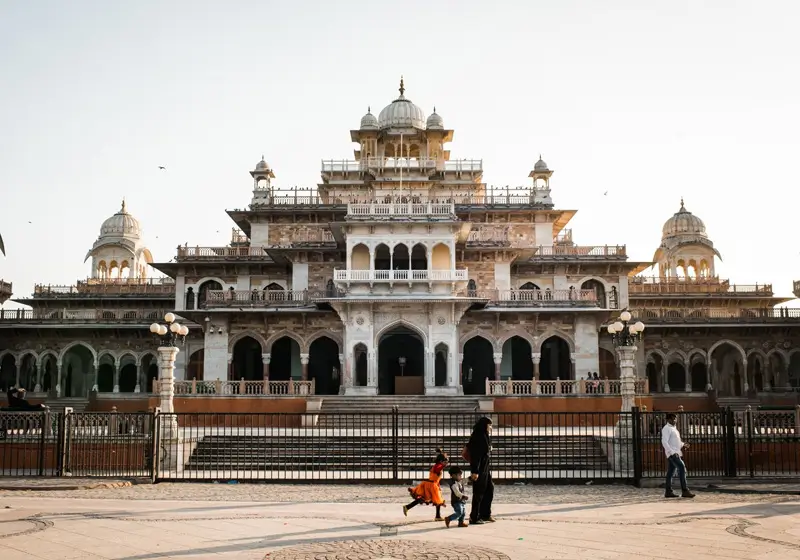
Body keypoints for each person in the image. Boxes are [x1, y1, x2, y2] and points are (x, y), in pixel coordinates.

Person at [404, 448, 448, 521]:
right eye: (445, 461)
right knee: (436, 500)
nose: (446, 463)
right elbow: (438, 469)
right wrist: (443, 466)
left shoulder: (437, 465)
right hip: (431, 486)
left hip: (432, 484)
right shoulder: (438, 466)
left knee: (433, 500)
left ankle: (407, 507)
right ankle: (437, 516)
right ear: (441, 461)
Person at [468, 416, 495, 524]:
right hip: (479, 469)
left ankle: (485, 514)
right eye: (489, 425)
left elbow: (486, 449)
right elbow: (476, 455)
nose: (491, 427)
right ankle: (474, 517)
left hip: (485, 467)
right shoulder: (478, 436)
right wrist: (474, 471)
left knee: (489, 489)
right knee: (478, 492)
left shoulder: (485, 435)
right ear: (484, 425)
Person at [661, 413, 695, 498]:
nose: (674, 420)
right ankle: (685, 490)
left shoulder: (674, 429)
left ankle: (668, 491)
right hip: (672, 453)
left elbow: (676, 442)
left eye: (675, 419)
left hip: (676, 452)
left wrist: (683, 444)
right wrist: (671, 452)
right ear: (668, 420)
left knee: (670, 472)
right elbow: (664, 442)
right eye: (672, 419)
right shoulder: (666, 428)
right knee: (682, 467)